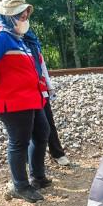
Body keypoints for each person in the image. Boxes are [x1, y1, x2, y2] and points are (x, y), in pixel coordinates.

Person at [0, 0, 51, 203]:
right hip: (13, 100)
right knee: (19, 142)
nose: (25, 17)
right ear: (10, 16)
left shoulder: (15, 38)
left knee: (43, 132)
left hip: (30, 98)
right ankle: (20, 186)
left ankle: (37, 176)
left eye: (26, 14)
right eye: (22, 14)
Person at [25, 33, 72, 167]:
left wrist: (50, 87)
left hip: (40, 90)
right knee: (25, 129)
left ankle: (57, 153)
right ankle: (28, 162)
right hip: (23, 93)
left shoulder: (32, 41)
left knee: (48, 124)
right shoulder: (8, 40)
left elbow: (42, 65)